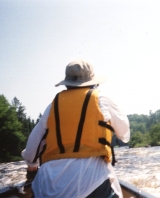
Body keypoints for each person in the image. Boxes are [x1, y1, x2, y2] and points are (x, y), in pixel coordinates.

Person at [21, 60, 130, 198]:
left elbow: (31, 152)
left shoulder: (52, 107)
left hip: (50, 187)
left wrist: (31, 172)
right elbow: (124, 134)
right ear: (93, 82)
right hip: (93, 183)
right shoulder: (102, 99)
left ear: (67, 83)